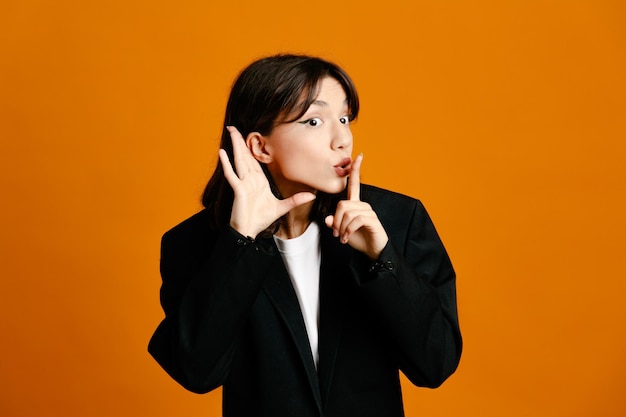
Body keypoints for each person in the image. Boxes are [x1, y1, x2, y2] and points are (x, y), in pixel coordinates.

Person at [148, 54, 462, 417]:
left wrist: (384, 260)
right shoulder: (196, 243)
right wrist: (241, 242)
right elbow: (197, 372)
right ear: (260, 147)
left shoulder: (395, 220)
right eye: (314, 121)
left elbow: (436, 363)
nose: (342, 139)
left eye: (344, 118)